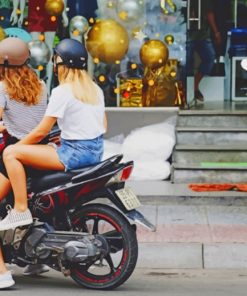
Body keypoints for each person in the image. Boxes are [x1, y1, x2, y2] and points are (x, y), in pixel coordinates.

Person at [0, 38, 107, 289]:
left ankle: (3, 268)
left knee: (11, 155)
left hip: (55, 152)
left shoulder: (55, 90)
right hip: (90, 152)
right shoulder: (87, 89)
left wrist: (19, 146)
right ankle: (35, 260)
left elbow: (38, 130)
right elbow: (102, 126)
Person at [0, 37, 48, 288]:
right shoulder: (41, 85)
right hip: (39, 153)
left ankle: (2, 273)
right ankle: (35, 260)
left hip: (15, 155)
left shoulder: (3, 88)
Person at [186, 0, 222, 103]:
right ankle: (184, 92)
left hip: (202, 34)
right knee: (186, 62)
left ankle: (195, 86)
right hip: (185, 33)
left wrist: (216, 32)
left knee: (210, 58)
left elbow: (209, 13)